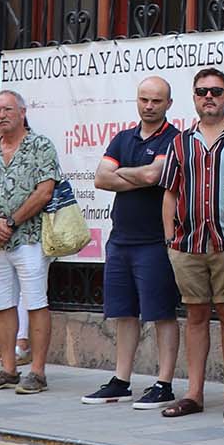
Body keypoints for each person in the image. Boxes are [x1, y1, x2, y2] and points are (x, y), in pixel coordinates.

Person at [82, 77, 183, 409]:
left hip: (155, 241)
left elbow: (155, 176)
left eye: (156, 100)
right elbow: (100, 177)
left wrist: (123, 173)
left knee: (161, 314)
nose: (149, 105)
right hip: (120, 240)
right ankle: (122, 381)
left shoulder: (175, 140)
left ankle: (164, 383)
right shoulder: (122, 138)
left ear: (168, 104)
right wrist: (136, 174)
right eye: (144, 99)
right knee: (124, 314)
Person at [160, 67, 224, 420]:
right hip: (187, 244)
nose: (209, 97)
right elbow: (170, 193)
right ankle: (194, 393)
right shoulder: (180, 142)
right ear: (194, 98)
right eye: (202, 91)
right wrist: (170, 238)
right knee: (196, 315)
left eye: (215, 91)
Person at [0, 90, 60, 394]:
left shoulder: (40, 146)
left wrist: (10, 222)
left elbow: (44, 191)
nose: (1, 115)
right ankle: (8, 368)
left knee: (35, 302)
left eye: (7, 109)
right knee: (4, 304)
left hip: (29, 238)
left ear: (22, 112)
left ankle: (37, 371)